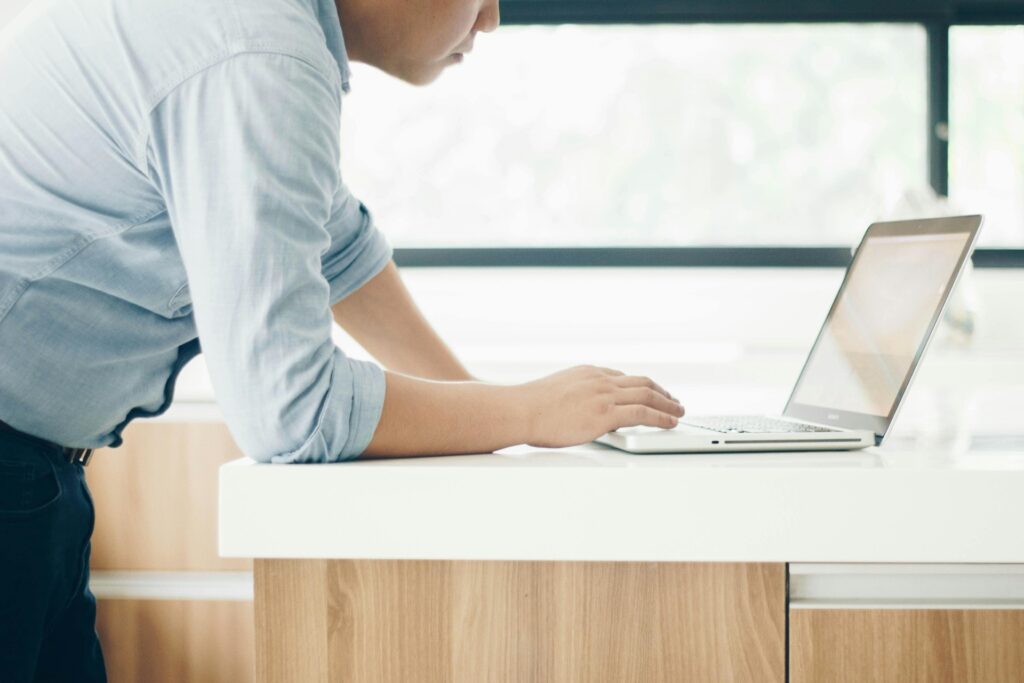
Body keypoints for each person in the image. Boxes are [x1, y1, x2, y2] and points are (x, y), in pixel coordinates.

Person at [0, 0, 684, 679]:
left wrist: (496, 413)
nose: (493, 19)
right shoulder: (258, 52)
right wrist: (527, 410)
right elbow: (289, 408)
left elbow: (338, 246)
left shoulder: (261, 31)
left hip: (37, 475)